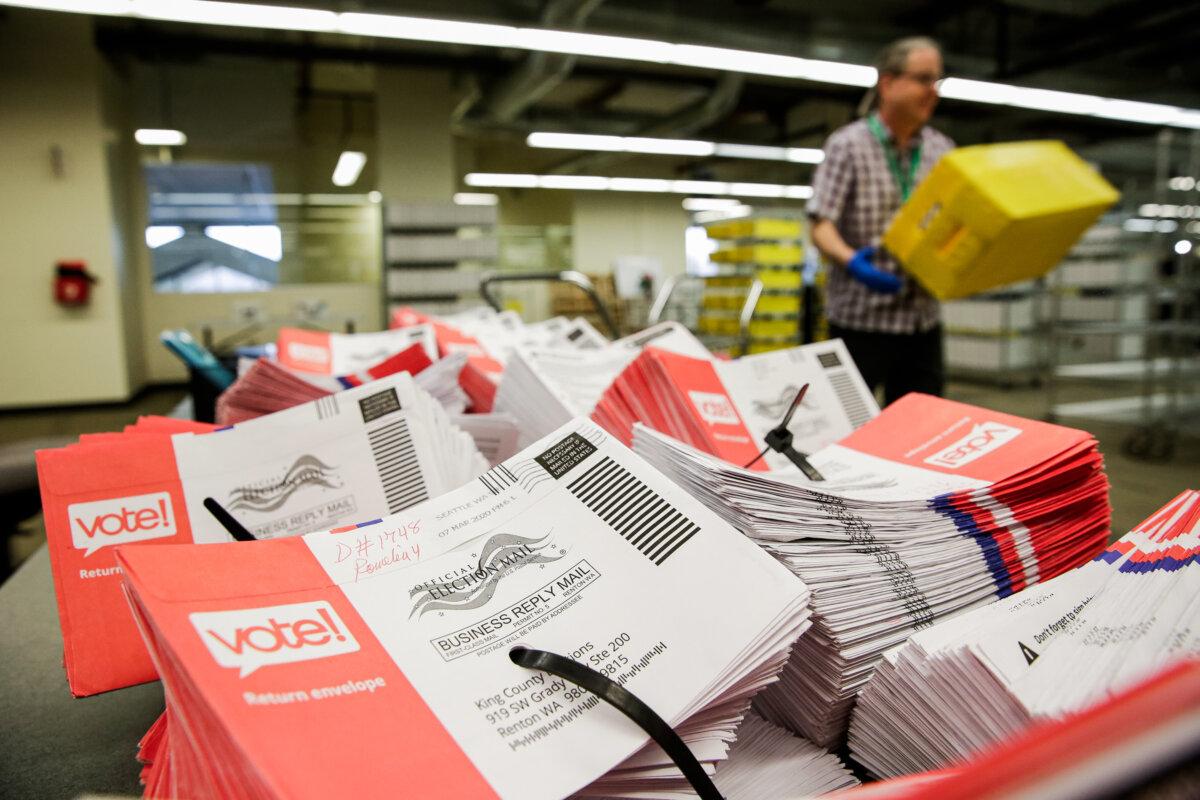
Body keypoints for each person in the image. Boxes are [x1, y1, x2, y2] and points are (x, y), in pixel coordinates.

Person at [808, 36, 954, 406]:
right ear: (888, 83)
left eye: (938, 81)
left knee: (920, 434)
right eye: (923, 79)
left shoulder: (942, 150)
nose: (932, 91)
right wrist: (852, 261)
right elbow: (821, 224)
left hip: (922, 322)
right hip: (861, 323)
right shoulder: (848, 145)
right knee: (847, 428)